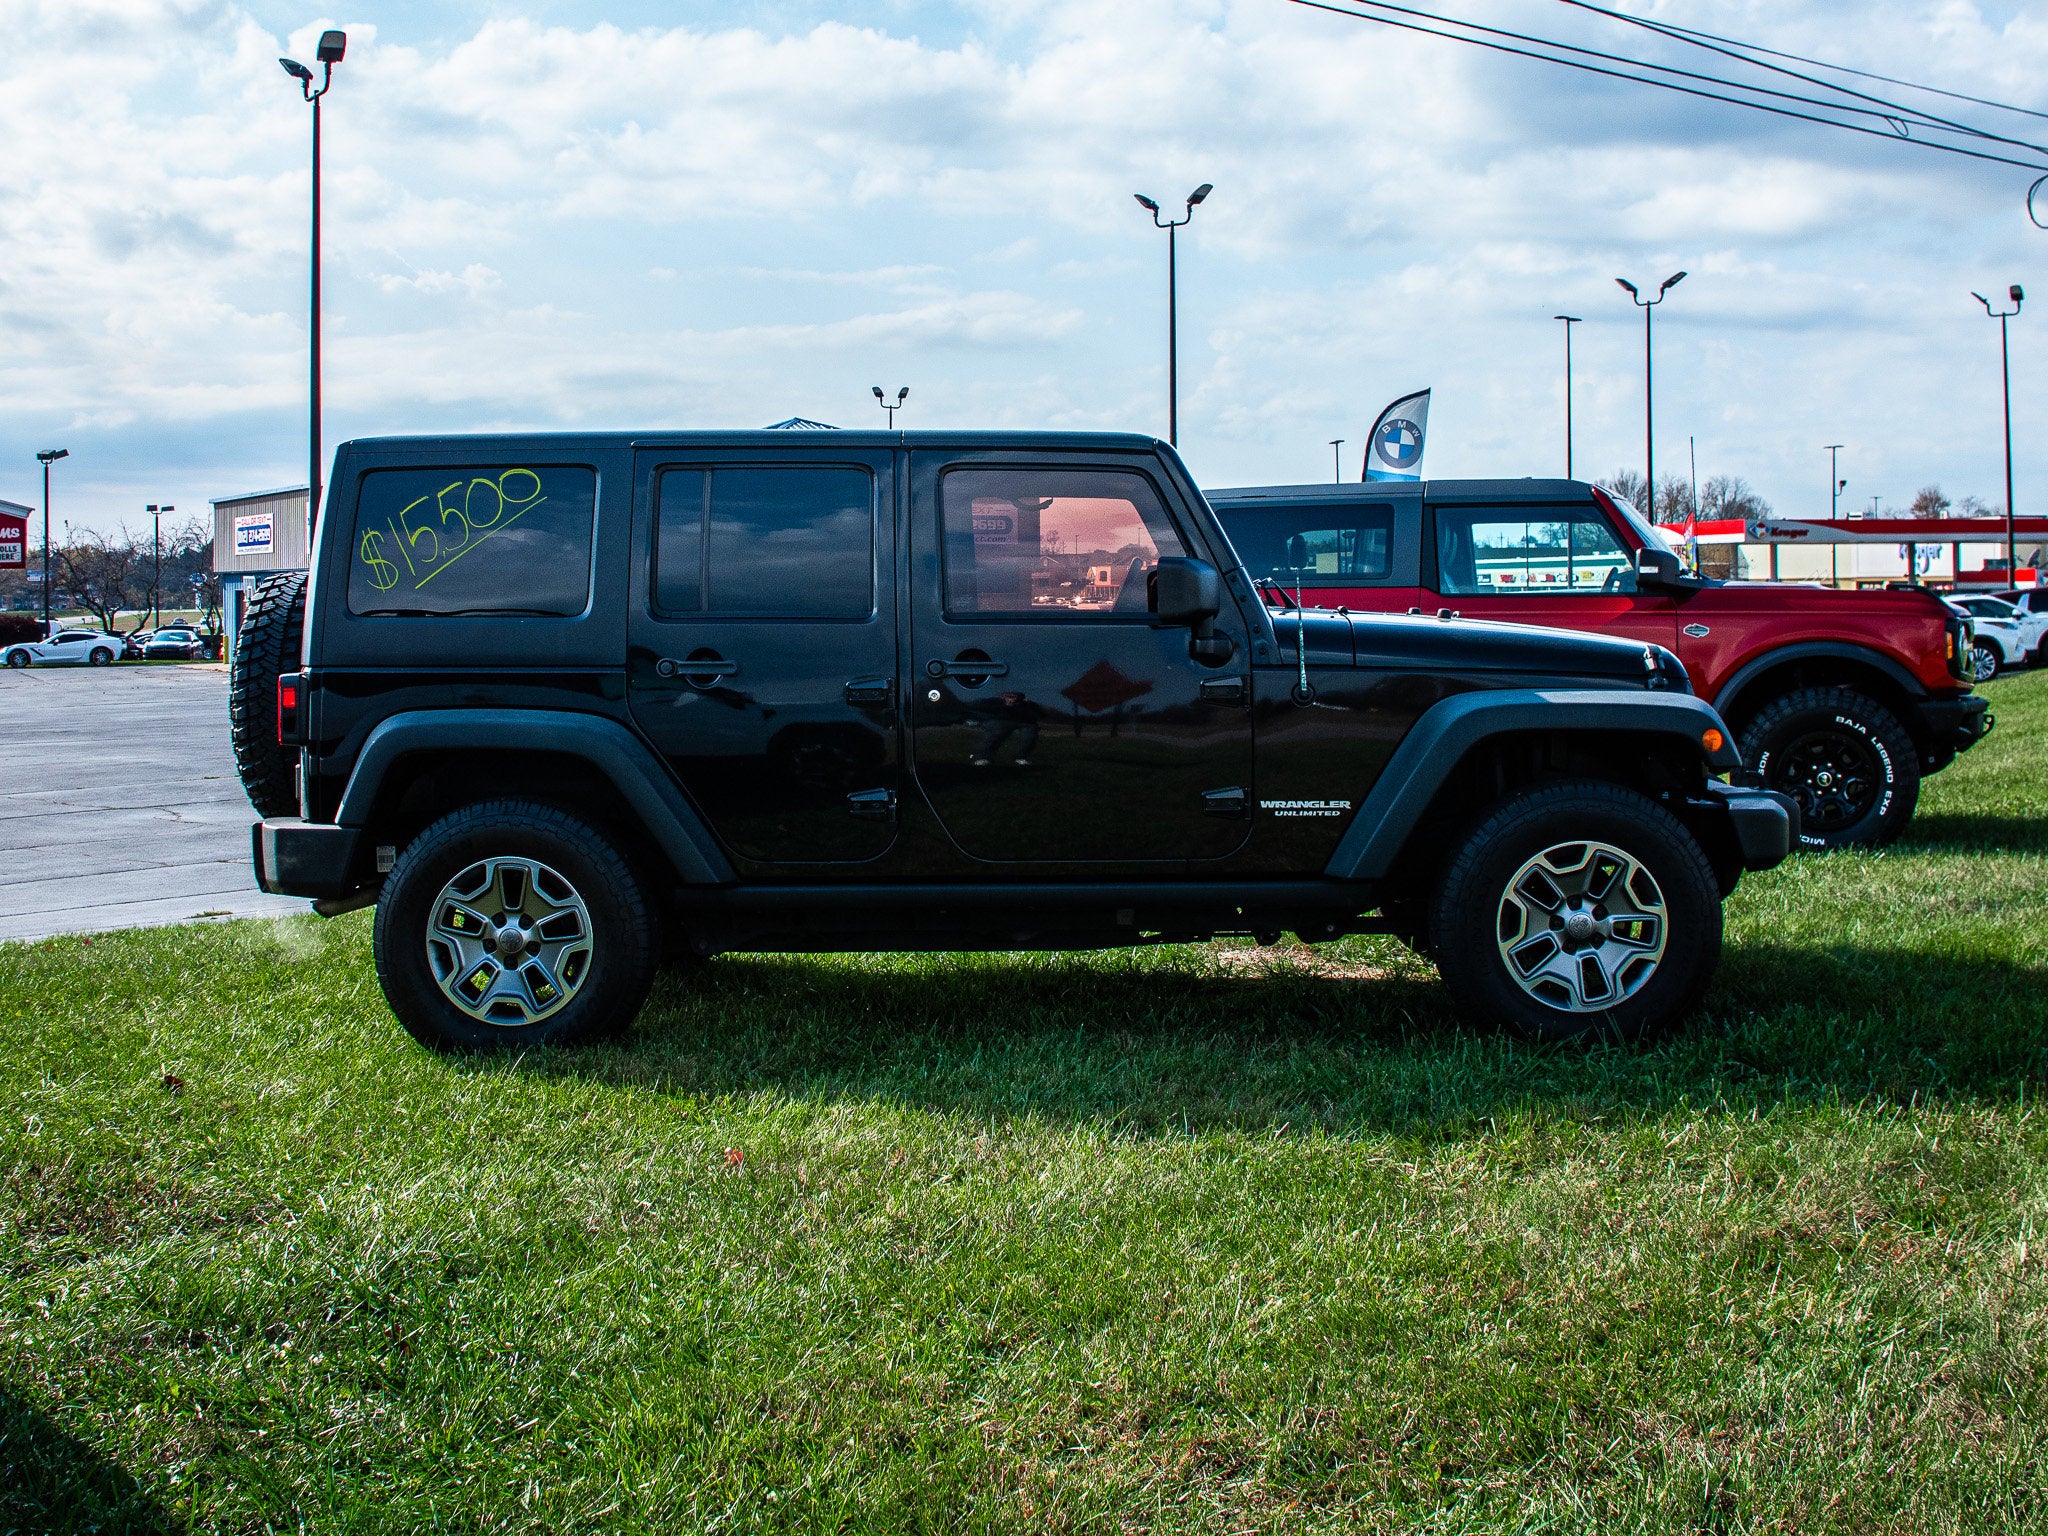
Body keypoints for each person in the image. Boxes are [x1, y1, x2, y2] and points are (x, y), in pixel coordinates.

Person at [969, 690, 1041, 766]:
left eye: (1013, 697)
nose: (1010, 700)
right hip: (1000, 721)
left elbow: (1037, 715)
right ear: (1003, 696)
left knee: (1030, 734)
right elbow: (976, 707)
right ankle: (981, 757)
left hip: (1022, 722)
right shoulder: (993, 702)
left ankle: (1020, 757)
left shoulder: (1028, 705)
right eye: (1008, 697)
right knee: (993, 732)